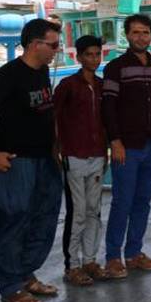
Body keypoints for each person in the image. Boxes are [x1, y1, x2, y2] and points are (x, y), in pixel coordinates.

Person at [0, 19, 64, 302]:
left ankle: (25, 273)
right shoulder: (8, 75)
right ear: (35, 45)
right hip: (15, 161)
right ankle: (11, 286)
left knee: (43, 218)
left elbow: (45, 113)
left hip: (43, 160)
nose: (57, 51)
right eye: (53, 45)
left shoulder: (43, 71)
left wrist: (54, 147)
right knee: (12, 222)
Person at [102, 13, 151, 279]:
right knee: (122, 202)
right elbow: (108, 107)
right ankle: (112, 257)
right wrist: (115, 141)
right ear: (127, 35)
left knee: (143, 202)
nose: (141, 37)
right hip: (127, 148)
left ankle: (133, 253)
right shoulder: (115, 67)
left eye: (145, 32)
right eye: (135, 32)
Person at [53, 34, 108, 286]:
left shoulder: (102, 85)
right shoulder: (67, 86)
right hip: (74, 155)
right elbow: (54, 119)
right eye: (89, 55)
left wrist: (107, 150)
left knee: (94, 210)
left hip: (97, 154)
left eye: (97, 54)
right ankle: (72, 266)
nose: (94, 59)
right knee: (77, 212)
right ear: (79, 57)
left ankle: (90, 260)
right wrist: (57, 148)